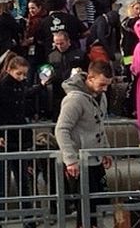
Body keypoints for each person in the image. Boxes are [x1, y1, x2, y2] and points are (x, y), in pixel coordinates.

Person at [0, 56, 36, 228]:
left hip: (19, 140)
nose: (22, 77)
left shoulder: (21, 86)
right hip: (3, 141)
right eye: (19, 74)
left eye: (24, 75)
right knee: (2, 185)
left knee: (23, 182)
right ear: (9, 70)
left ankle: (28, 219)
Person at [55, 60, 113, 228]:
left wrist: (105, 150)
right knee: (85, 207)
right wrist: (71, 159)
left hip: (94, 158)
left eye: (108, 85)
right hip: (80, 162)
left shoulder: (100, 97)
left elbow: (99, 125)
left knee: (97, 204)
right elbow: (61, 129)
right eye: (102, 84)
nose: (105, 89)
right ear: (90, 78)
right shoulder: (74, 100)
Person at [48, 31, 87, 121]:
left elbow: (87, 71)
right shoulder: (52, 56)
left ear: (68, 41)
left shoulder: (80, 54)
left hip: (75, 90)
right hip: (58, 92)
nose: (59, 46)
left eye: (62, 43)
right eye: (56, 43)